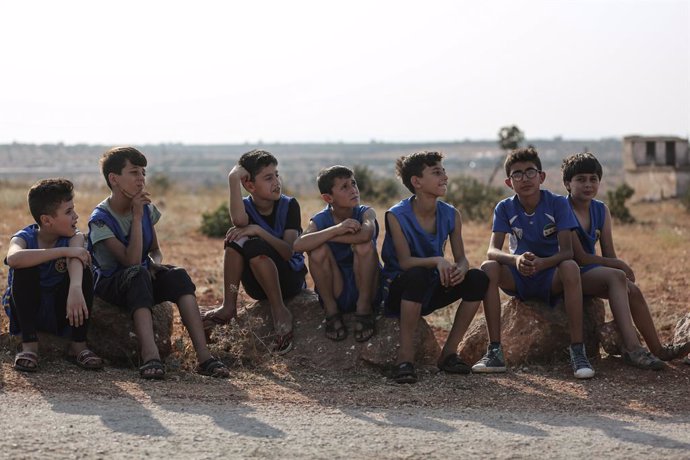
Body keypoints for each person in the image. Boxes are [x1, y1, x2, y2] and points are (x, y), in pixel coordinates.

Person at [88, 146, 229, 379]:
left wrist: (154, 263)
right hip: (112, 283)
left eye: (143, 172)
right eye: (134, 172)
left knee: (178, 275)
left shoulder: (146, 209)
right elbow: (130, 261)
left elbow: (154, 250)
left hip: (141, 276)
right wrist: (136, 216)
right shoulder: (100, 219)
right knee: (138, 274)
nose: (141, 179)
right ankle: (150, 354)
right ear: (114, 179)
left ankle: (204, 356)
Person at [561, 152, 690, 368]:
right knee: (617, 274)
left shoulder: (601, 210)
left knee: (633, 290)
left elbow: (609, 252)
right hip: (571, 272)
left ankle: (658, 349)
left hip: (593, 272)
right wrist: (619, 266)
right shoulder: (563, 209)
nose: (588, 184)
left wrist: (618, 270)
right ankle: (632, 348)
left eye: (593, 179)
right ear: (567, 183)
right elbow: (580, 257)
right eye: (580, 179)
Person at [478, 147, 595, 379]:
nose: (525, 179)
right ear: (509, 182)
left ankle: (578, 350)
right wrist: (516, 259)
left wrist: (543, 263)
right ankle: (495, 351)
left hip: (550, 274)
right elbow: (492, 250)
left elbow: (568, 251)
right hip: (519, 274)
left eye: (530, 172)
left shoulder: (557, 204)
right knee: (487, 268)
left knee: (570, 267)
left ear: (541, 176)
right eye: (517, 174)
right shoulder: (504, 208)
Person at [381, 151, 490, 384]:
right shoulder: (396, 215)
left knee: (477, 279)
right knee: (417, 274)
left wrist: (460, 268)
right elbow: (404, 263)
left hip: (430, 286)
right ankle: (405, 358)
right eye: (436, 172)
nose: (445, 177)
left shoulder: (451, 214)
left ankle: (449, 354)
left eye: (444, 171)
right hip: (400, 291)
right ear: (416, 182)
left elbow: (462, 258)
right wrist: (437, 261)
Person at [202, 149, 306, 355]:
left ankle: (279, 311)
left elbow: (287, 252)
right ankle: (228, 305)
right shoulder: (246, 207)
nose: (276, 181)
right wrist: (233, 178)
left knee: (253, 244)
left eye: (276, 174)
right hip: (258, 285)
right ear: (249, 185)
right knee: (235, 240)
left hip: (289, 280)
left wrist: (258, 230)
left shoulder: (289, 205)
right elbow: (239, 222)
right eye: (268, 178)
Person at [3, 178, 103, 372]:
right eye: (68, 212)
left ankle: (78, 345)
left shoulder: (74, 237)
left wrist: (75, 288)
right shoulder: (24, 237)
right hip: (28, 310)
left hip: (63, 310)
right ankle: (29, 345)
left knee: (84, 270)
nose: (75, 216)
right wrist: (63, 252)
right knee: (25, 268)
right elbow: (14, 259)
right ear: (47, 220)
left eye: (73, 209)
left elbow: (77, 258)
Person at [293, 165, 380, 342]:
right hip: (336, 287)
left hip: (366, 286)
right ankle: (331, 312)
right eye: (344, 187)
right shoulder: (321, 219)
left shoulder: (365, 212)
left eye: (353, 183)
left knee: (364, 246)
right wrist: (337, 229)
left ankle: (364, 310)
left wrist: (326, 237)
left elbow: (365, 235)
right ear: (328, 197)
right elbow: (298, 244)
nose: (353, 190)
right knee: (316, 250)